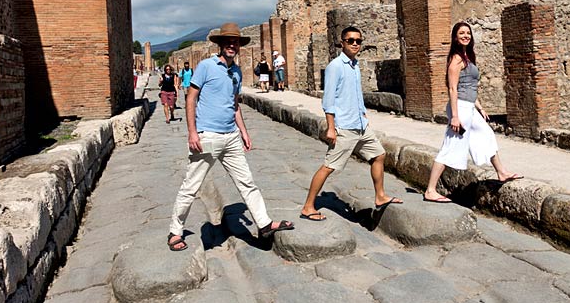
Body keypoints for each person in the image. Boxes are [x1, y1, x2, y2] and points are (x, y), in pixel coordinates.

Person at [167, 22, 294, 251]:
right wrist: (192, 132)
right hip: (208, 135)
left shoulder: (236, 71)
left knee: (247, 182)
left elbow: (234, 104)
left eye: (235, 42)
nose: (231, 45)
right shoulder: (206, 66)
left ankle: (264, 223)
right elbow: (190, 98)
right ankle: (175, 231)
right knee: (191, 185)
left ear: (238, 46)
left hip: (231, 136)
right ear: (220, 44)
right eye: (228, 42)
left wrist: (243, 131)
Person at [300, 26, 402, 221]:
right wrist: (331, 127)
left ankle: (380, 196)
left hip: (360, 125)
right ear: (342, 43)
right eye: (350, 40)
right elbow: (328, 101)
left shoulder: (355, 66)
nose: (355, 43)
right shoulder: (335, 66)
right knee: (329, 166)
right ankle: (308, 206)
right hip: (345, 127)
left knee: (379, 154)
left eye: (358, 41)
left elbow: (355, 94)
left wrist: (363, 113)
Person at [423, 22, 523, 203]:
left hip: (468, 106)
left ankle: (501, 172)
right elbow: (453, 89)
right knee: (450, 146)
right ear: (455, 37)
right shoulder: (456, 59)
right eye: (461, 33)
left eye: (468, 33)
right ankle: (430, 190)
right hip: (459, 107)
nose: (466, 36)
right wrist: (455, 116)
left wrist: (480, 107)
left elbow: (470, 87)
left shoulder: (467, 56)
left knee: (486, 134)